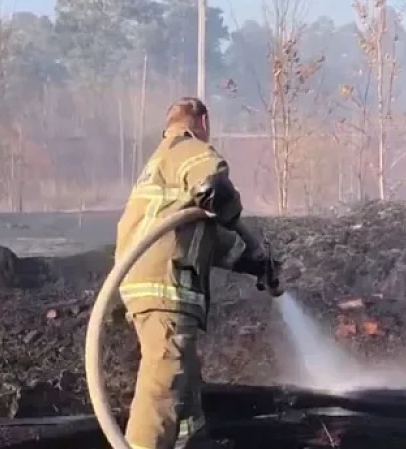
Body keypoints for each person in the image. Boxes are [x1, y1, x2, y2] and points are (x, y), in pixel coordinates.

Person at [115, 97, 280, 449]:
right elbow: (213, 187)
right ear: (203, 121)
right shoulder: (186, 146)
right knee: (163, 379)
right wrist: (244, 229)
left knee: (184, 384)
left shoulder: (163, 164)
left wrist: (251, 262)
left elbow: (204, 237)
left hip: (151, 279)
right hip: (164, 283)